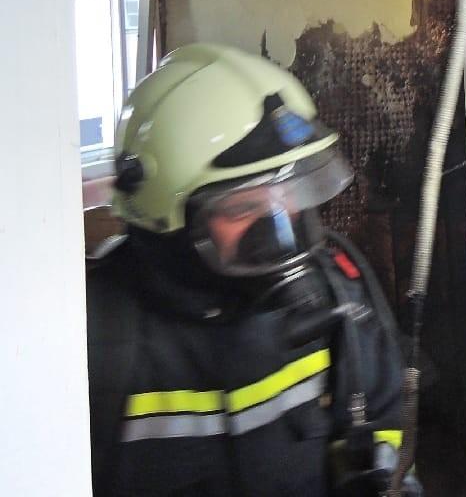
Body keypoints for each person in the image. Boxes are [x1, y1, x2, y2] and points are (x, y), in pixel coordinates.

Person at [87, 43, 420, 497]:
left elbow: (381, 424)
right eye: (243, 208)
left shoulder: (337, 290)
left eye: (289, 194)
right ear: (169, 225)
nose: (280, 227)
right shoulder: (94, 338)